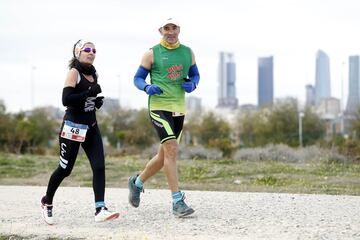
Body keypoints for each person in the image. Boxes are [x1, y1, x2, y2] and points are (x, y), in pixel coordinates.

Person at [40, 40, 119, 225]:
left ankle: (100, 209)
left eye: (94, 50)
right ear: (78, 53)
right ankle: (47, 201)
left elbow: (86, 100)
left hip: (91, 126)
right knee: (65, 169)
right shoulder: (73, 73)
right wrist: (88, 93)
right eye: (87, 50)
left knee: (99, 166)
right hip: (73, 127)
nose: (91, 53)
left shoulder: (93, 73)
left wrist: (95, 102)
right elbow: (66, 99)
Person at [129, 18, 200, 217]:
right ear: (160, 30)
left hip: (179, 108)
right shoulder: (151, 53)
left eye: (174, 28)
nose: (170, 32)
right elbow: (137, 78)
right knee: (171, 149)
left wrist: (193, 84)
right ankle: (177, 201)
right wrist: (146, 87)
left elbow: (195, 75)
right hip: (159, 106)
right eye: (166, 28)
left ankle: (137, 183)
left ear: (179, 29)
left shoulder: (188, 52)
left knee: (163, 157)